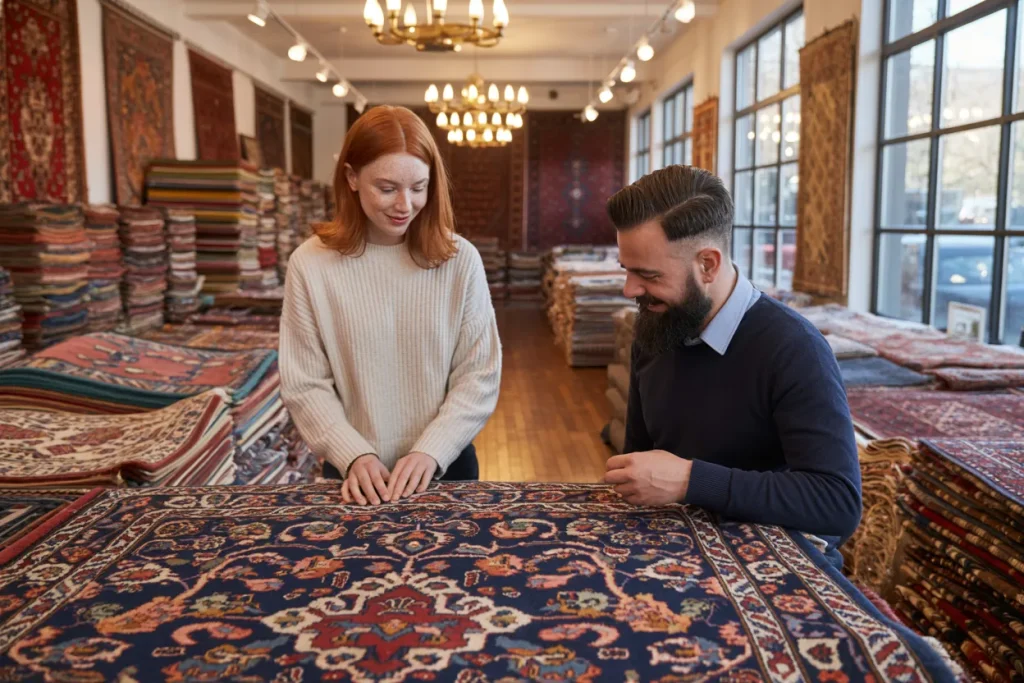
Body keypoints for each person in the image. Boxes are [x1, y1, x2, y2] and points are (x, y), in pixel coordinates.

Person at [602, 164, 861, 565]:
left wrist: (691, 481)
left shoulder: (794, 349)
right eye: (626, 270)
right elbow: (642, 461)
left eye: (647, 274)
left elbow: (836, 503)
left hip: (774, 570)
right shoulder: (656, 326)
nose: (629, 289)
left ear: (708, 264)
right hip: (675, 555)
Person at [280, 105, 501, 506]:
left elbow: (479, 374)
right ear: (351, 178)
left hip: (447, 466)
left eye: (419, 187)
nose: (405, 204)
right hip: (354, 474)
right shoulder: (310, 265)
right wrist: (352, 453)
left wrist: (431, 450)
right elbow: (305, 382)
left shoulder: (460, 260)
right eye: (387, 188)